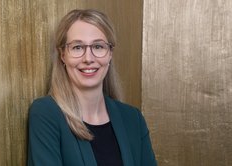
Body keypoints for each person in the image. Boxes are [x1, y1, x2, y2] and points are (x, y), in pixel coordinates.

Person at [28, 9, 157, 166]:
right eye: (77, 47)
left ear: (110, 53)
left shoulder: (132, 118)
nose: (88, 58)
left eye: (98, 46)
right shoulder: (46, 113)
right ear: (63, 55)